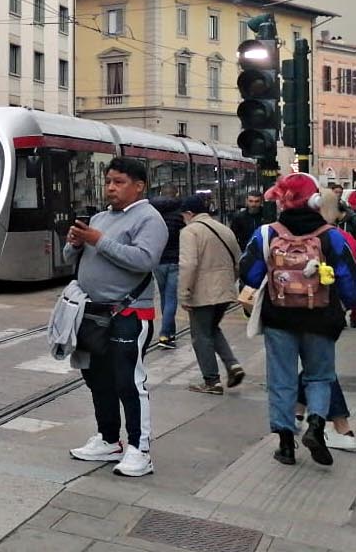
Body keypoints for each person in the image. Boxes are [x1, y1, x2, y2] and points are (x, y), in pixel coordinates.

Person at [238, 172, 356, 466]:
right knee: (320, 375)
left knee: (282, 379)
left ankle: (286, 443)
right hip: (321, 318)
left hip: (279, 318)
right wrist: (350, 307)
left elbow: (249, 274)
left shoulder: (267, 233)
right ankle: (316, 423)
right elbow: (348, 279)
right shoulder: (332, 236)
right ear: (316, 199)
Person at [64, 157, 167, 478]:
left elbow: (143, 259)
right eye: (108, 181)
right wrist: (75, 244)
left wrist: (98, 240)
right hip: (92, 312)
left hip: (129, 313)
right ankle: (109, 439)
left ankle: (140, 449)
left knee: (128, 381)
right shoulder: (100, 217)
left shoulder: (150, 219)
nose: (111, 187)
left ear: (139, 186)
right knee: (96, 379)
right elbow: (72, 259)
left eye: (119, 181)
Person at [176, 193, 245, 394]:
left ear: (189, 213)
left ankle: (211, 380)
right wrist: (229, 283)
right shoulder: (224, 229)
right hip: (224, 290)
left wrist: (184, 294)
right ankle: (233, 365)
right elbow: (238, 259)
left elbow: (189, 264)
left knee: (200, 336)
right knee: (212, 329)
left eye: (183, 216)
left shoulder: (190, 232)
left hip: (202, 293)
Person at [148, 186, 185, 350]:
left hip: (158, 261)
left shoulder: (154, 215)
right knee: (171, 298)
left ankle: (171, 332)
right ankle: (165, 333)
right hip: (174, 261)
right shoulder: (179, 215)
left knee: (164, 296)